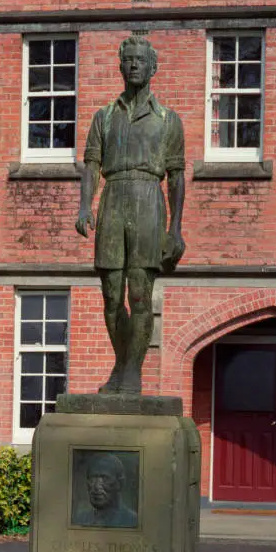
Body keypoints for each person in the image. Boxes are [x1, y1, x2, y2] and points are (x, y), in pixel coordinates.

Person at [75, 36, 186, 394]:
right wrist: (84, 206)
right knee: (111, 296)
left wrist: (176, 229)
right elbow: (91, 165)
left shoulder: (168, 120)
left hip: (148, 200)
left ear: (153, 67)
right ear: (121, 65)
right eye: (129, 60)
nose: (135, 65)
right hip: (113, 197)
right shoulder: (103, 116)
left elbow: (177, 175)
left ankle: (132, 373)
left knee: (140, 293)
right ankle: (121, 363)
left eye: (141, 60)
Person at [73, 453, 138, 528]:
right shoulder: (80, 520)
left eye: (105, 478)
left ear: (120, 483)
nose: (97, 486)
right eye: (92, 479)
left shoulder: (133, 521)